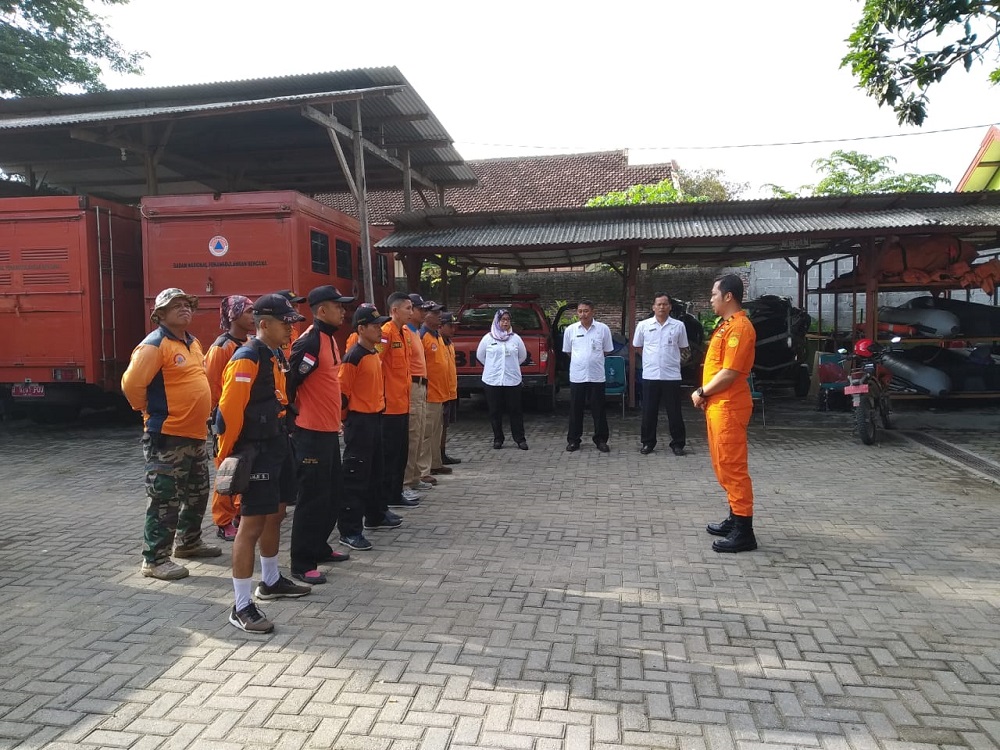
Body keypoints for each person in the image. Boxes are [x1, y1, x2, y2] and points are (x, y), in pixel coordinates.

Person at [216, 293, 312, 634]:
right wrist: (227, 463)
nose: (290, 328)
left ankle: (270, 581)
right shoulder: (246, 358)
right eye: (286, 323)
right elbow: (227, 417)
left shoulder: (275, 355)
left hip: (278, 445)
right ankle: (240, 605)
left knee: (277, 512)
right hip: (254, 451)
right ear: (264, 324)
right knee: (251, 525)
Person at [122, 288, 221, 581]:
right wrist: (149, 410)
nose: (184, 309)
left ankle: (189, 544)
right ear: (160, 314)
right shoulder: (154, 345)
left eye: (187, 305)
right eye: (176, 306)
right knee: (165, 499)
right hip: (167, 435)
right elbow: (131, 385)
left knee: (197, 493)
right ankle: (154, 560)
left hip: (194, 434)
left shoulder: (192, 343)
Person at [285, 285, 355, 585]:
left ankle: (320, 546)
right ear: (321, 310)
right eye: (337, 306)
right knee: (311, 499)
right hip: (310, 433)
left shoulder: (329, 340)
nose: (343, 310)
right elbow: (290, 381)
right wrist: (291, 418)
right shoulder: (310, 341)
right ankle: (301, 562)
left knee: (332, 495)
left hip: (327, 431)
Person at [692, 274, 758, 554]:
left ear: (728, 296)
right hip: (719, 406)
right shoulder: (726, 326)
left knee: (732, 466)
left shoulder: (740, 328)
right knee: (722, 465)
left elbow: (729, 373)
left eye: (714, 294)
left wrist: (703, 391)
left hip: (728, 405)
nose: (711, 299)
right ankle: (735, 517)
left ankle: (744, 531)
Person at [340, 305, 395, 548]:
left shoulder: (372, 353)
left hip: (375, 418)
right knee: (355, 477)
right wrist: (346, 422)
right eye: (374, 326)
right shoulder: (354, 356)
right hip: (359, 421)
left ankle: (375, 514)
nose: (379, 329)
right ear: (361, 329)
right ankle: (350, 530)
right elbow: (342, 394)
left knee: (376, 471)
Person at [205, 294, 254, 541]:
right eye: (248, 312)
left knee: (244, 468)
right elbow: (212, 388)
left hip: (248, 419)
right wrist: (218, 422)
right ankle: (223, 521)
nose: (253, 316)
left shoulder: (250, 343)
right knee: (227, 469)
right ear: (234, 316)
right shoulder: (221, 348)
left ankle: (237, 513)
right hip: (226, 418)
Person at [633, 293, 690, 456]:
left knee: (674, 412)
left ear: (670, 307)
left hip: (671, 375)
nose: (662, 307)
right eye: (658, 304)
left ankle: (678, 444)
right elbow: (637, 346)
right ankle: (648, 443)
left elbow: (683, 348)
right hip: (650, 374)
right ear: (653, 307)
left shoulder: (678, 326)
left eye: (665, 304)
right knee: (649, 411)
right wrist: (650, 359)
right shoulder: (643, 325)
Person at [379, 291, 418, 514]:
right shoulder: (385, 333)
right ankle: (386, 496)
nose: (411, 313)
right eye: (408, 308)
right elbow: (376, 364)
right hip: (388, 406)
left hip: (403, 403)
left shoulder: (403, 332)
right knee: (390, 454)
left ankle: (396, 493)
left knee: (401, 453)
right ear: (394, 310)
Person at [563, 299, 614, 452]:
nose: (583, 314)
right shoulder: (570, 330)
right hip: (578, 376)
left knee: (598, 410)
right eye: (580, 311)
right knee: (575, 410)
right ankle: (573, 440)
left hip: (596, 376)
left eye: (586, 311)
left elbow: (606, 350)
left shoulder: (602, 329)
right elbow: (568, 351)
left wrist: (592, 360)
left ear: (593, 312)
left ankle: (601, 440)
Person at [477, 309, 528, 450]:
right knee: (495, 411)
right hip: (492, 380)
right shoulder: (488, 338)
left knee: (515, 411)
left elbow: (522, 357)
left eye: (508, 320)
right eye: (502, 319)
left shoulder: (516, 338)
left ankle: (520, 439)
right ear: (497, 321)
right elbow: (481, 356)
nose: (505, 322)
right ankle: (498, 439)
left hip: (512, 380)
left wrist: (510, 367)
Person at [403, 293, 435, 491]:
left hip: (421, 386)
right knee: (413, 434)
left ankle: (415, 477)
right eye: (420, 309)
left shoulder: (415, 332)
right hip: (412, 386)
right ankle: (406, 481)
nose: (423, 313)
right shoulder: (405, 332)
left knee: (420, 433)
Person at [421, 303, 452, 476]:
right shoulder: (423, 335)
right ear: (425, 315)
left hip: (440, 393)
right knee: (426, 435)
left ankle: (435, 463)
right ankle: (424, 470)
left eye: (440, 312)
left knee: (435, 433)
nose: (439, 315)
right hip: (429, 393)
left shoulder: (437, 336)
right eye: (434, 313)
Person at [439, 311, 461, 466]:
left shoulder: (449, 343)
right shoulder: (436, 341)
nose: (453, 330)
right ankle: (437, 455)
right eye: (450, 326)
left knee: (445, 425)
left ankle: (442, 452)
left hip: (450, 391)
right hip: (438, 391)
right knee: (438, 426)